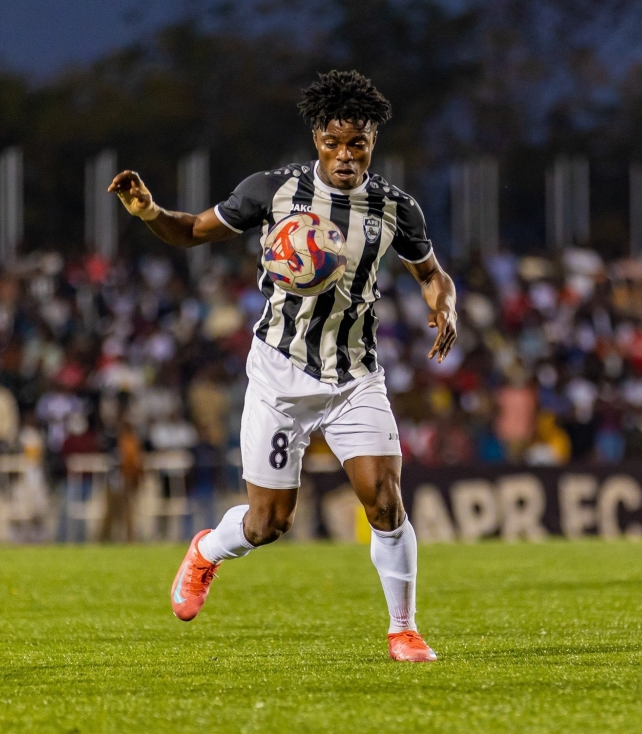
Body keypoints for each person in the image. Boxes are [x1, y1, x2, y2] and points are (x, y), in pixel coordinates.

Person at [110, 70, 457, 662]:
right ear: (316, 138)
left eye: (358, 144)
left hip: (353, 375)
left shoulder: (396, 207)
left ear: (373, 141)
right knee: (270, 523)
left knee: (385, 501)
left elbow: (431, 273)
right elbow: (192, 231)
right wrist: (148, 212)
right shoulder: (270, 190)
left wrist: (444, 305)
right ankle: (206, 552)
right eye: (334, 143)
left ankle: (404, 629)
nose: (346, 156)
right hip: (278, 373)